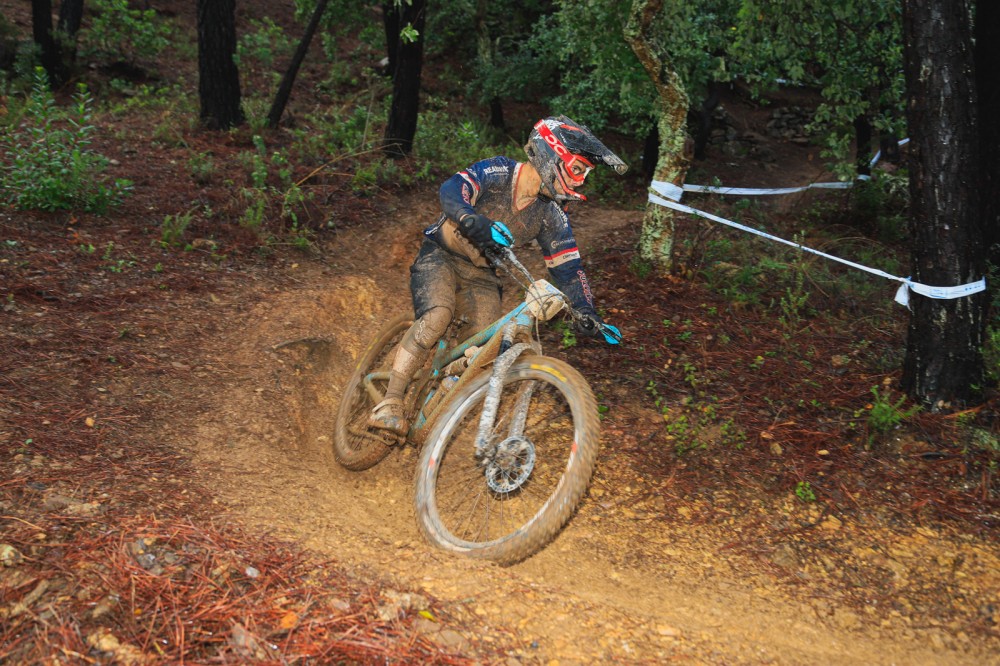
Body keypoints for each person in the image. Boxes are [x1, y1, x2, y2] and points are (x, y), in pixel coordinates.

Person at [369, 115, 628, 435]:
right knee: (438, 316)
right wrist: (471, 219)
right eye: (577, 169)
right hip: (440, 256)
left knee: (484, 352)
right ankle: (391, 401)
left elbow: (569, 269)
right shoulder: (499, 173)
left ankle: (436, 411)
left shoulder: (550, 215)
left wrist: (587, 312)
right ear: (551, 154)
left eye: (585, 174)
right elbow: (452, 189)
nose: (579, 182)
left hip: (482, 276)